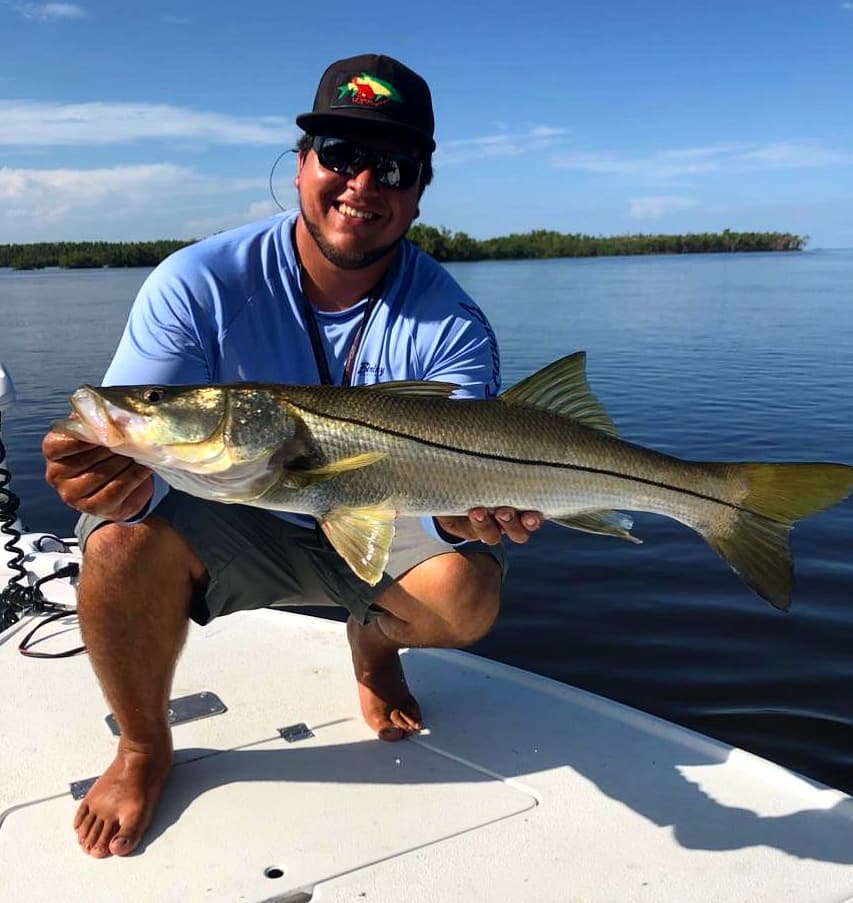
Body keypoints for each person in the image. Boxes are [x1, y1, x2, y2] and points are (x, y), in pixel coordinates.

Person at [42, 53, 542, 860]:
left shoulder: (451, 323)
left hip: (383, 504)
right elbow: (138, 440)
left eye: (393, 165)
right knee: (115, 541)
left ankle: (372, 642)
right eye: (341, 155)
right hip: (235, 502)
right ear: (301, 161)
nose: (362, 183)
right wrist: (101, 466)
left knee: (468, 586)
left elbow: (455, 493)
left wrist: (469, 512)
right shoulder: (197, 283)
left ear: (418, 188)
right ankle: (142, 745)